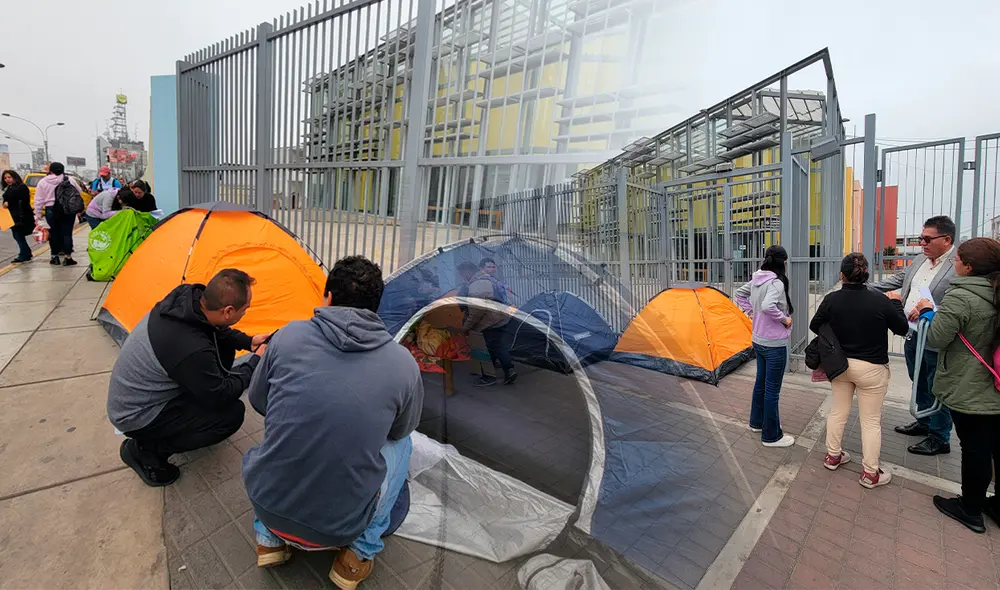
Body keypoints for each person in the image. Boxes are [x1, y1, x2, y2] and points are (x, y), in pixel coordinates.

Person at [243, 256, 423, 589]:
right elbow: (399, 431)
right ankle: (354, 558)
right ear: (375, 307)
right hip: (341, 527)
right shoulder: (403, 364)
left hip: (268, 505)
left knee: (282, 430)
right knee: (404, 444)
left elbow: (259, 402)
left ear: (327, 296)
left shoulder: (286, 337)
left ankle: (268, 540)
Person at [106, 269, 271, 486]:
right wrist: (255, 363)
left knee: (222, 348)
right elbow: (221, 394)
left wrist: (248, 342)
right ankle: (145, 450)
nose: (245, 313)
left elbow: (215, 330)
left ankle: (173, 427)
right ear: (229, 311)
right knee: (230, 416)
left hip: (140, 393)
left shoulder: (187, 299)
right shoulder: (190, 348)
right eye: (245, 309)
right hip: (136, 414)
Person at [914, 238, 1000, 533]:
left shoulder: (961, 297)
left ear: (969, 267)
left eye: (958, 259)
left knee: (975, 448)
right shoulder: (994, 291)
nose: (955, 263)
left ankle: (970, 509)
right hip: (997, 380)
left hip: (972, 383)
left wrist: (927, 310)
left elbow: (937, 337)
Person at [811, 253, 909, 488]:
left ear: (842, 275)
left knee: (838, 411)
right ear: (866, 275)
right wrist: (896, 302)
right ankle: (870, 473)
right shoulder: (880, 300)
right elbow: (902, 328)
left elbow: (816, 324)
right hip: (872, 369)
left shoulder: (832, 299)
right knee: (871, 421)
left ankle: (833, 456)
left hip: (841, 365)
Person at [870, 216, 956, 457]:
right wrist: (865, 287)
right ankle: (924, 421)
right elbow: (899, 280)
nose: (922, 244)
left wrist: (931, 311)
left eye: (927, 239)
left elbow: (956, 304)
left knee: (936, 385)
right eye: (920, 238)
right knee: (918, 379)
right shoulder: (920, 260)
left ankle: (940, 437)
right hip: (913, 333)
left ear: (946, 240)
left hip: (936, 337)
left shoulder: (957, 264)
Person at [735, 245, 795, 448]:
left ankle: (756, 422)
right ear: (781, 262)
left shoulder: (758, 279)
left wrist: (751, 312)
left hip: (758, 340)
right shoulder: (776, 283)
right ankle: (771, 436)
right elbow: (769, 306)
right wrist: (785, 320)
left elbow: (739, 294)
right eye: (785, 262)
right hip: (774, 343)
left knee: (760, 383)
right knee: (772, 390)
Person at [461, 257, 517, 386]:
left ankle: (500, 373)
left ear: (468, 271)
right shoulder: (488, 279)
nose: (462, 276)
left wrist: (466, 326)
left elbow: (477, 311)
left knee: (494, 346)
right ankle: (493, 370)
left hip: (492, 320)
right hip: (501, 316)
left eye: (462, 273)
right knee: (494, 346)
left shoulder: (478, 284)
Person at [32, 161, 82, 266]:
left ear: (50, 170)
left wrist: (38, 214)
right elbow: (79, 191)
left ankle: (54, 257)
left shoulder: (43, 182)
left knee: (54, 234)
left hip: (51, 210)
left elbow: (38, 200)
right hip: (67, 210)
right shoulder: (69, 180)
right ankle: (68, 257)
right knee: (67, 233)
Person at [1, 170, 35, 263]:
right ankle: (26, 252)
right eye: (5, 178)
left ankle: (23, 254)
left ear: (14, 177)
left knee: (18, 235)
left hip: (21, 216)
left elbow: (21, 200)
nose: (7, 179)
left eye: (9, 177)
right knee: (17, 235)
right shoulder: (9, 188)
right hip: (12, 216)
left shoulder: (21, 187)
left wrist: (9, 202)